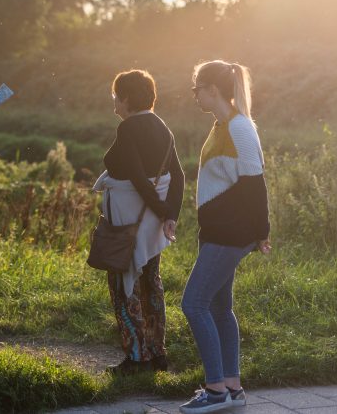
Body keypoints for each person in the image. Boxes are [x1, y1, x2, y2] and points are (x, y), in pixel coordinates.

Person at [179, 60, 271, 413]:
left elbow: (254, 182)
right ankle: (232, 387)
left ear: (211, 90)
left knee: (194, 304)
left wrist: (261, 232)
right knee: (218, 307)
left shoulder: (240, 128)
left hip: (229, 235)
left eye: (195, 89)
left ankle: (215, 391)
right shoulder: (222, 125)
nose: (194, 96)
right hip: (218, 233)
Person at [93, 69, 185, 374]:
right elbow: (179, 177)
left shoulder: (129, 128)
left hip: (130, 221)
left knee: (124, 285)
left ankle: (135, 357)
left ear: (127, 99)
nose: (114, 104)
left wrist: (161, 211)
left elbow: (135, 176)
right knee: (151, 281)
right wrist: (169, 215)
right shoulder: (163, 128)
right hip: (152, 222)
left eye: (116, 97)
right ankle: (157, 353)